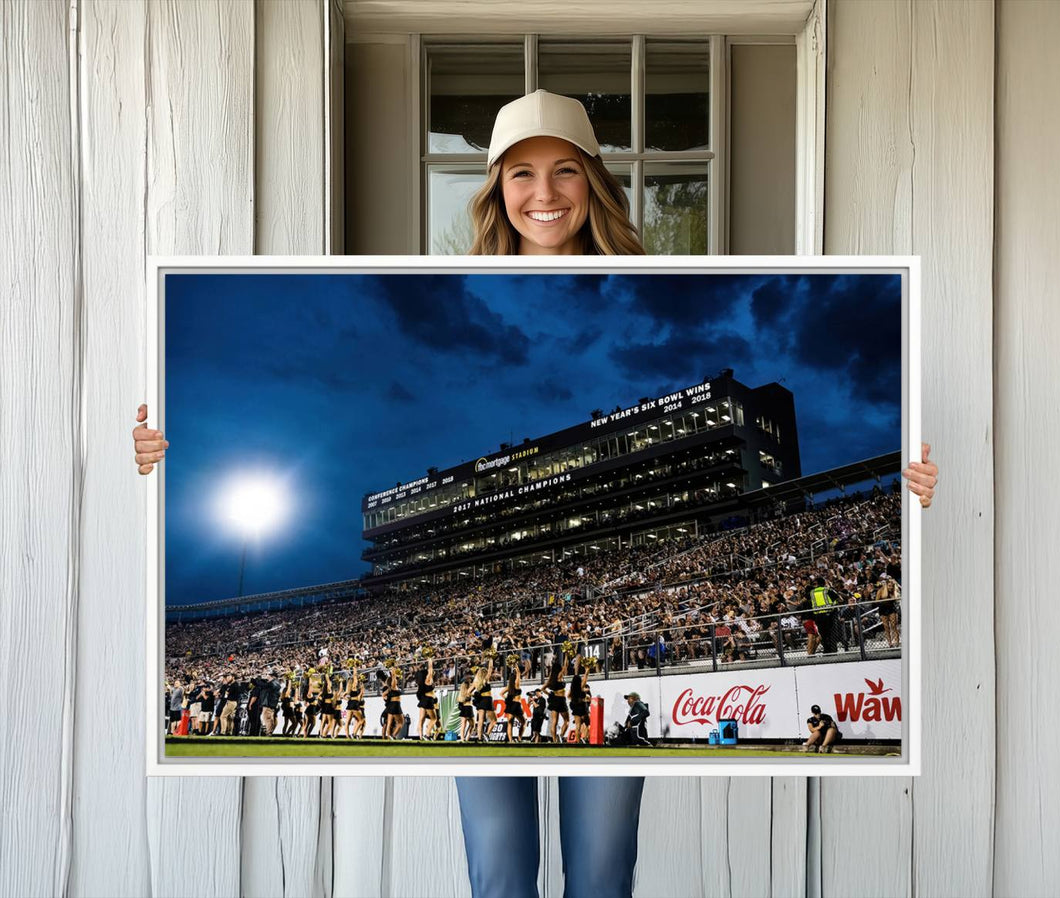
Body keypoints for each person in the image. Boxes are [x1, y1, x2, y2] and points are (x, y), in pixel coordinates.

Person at [133, 89, 940, 898]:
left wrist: (911, 492)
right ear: (495, 188)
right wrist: (150, 458)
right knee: (500, 880)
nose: (544, 193)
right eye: (521, 173)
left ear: (594, 180)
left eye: (564, 171)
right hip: (510, 677)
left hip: (591, 666)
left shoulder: (664, 279)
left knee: (599, 880)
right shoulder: (444, 281)